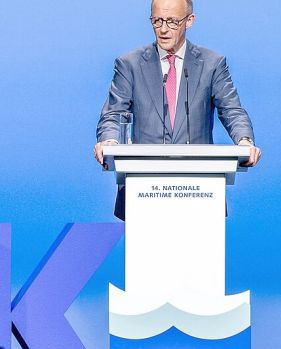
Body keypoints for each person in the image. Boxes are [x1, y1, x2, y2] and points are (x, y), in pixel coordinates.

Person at [93, 0, 262, 220]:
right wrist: (110, 141)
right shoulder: (130, 64)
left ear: (189, 21)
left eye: (172, 22)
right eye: (157, 21)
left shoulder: (212, 64)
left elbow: (232, 110)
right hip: (143, 191)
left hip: (200, 190)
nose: (163, 29)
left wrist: (245, 141)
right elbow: (113, 114)